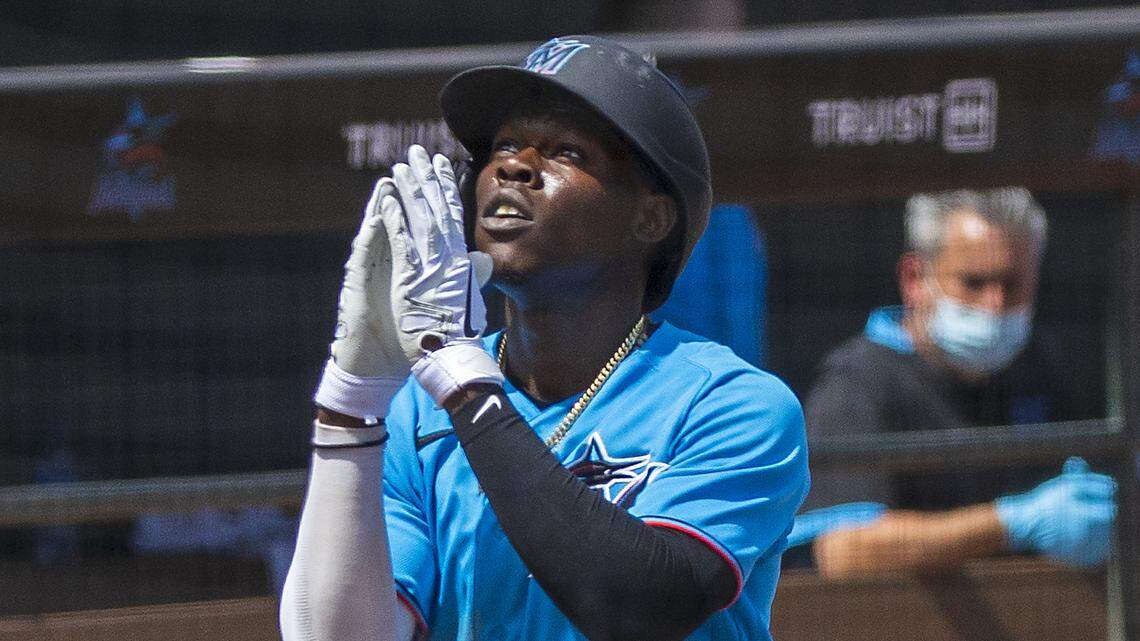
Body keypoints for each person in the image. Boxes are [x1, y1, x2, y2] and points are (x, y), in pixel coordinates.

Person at [279, 36, 809, 641]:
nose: (513, 166)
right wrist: (352, 399)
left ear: (651, 217)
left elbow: (640, 607)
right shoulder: (416, 411)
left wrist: (457, 369)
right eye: (504, 146)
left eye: (566, 151)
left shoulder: (733, 404)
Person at [792, 187, 1116, 577]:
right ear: (914, 278)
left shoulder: (1045, 365)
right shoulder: (858, 383)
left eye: (1012, 285)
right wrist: (1012, 524)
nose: (994, 306)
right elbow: (845, 551)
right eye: (973, 283)